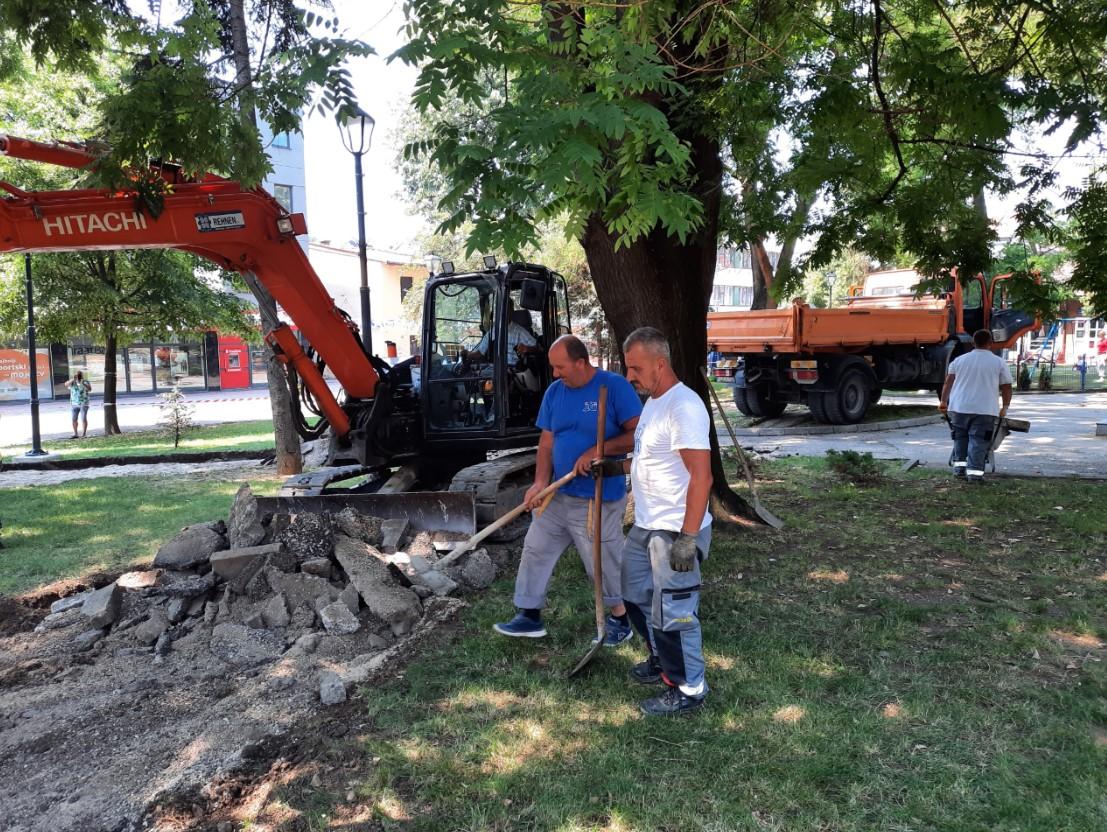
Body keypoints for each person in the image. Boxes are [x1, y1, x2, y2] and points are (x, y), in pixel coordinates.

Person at [592, 326, 713, 716]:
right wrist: (613, 467)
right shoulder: (655, 404)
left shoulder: (684, 407)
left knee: (674, 610)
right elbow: (650, 458)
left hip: (675, 528)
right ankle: (663, 660)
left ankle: (690, 688)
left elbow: (702, 476)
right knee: (632, 593)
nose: (630, 377)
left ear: (660, 365)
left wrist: (688, 538)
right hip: (646, 524)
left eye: (636, 368)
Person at [493, 334, 642, 645]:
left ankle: (621, 619)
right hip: (559, 496)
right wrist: (539, 483)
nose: (555, 373)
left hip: (597, 496)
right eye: (552, 368)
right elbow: (546, 442)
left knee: (600, 562)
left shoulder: (612, 387)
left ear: (580, 362)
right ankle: (529, 615)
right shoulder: (554, 392)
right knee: (535, 548)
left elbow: (638, 435)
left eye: (560, 367)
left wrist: (596, 450)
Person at [939, 329, 1013, 481]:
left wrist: (943, 402)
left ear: (973, 343)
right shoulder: (998, 362)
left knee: (960, 439)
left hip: (959, 408)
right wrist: (1005, 407)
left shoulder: (959, 361)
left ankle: (959, 469)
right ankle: (974, 474)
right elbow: (1006, 386)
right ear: (991, 343)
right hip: (985, 410)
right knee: (979, 441)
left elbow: (948, 382)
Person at [64, 371, 92, 438]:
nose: (78, 377)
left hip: (84, 403)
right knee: (74, 419)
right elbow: (66, 384)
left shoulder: (85, 381)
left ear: (82, 376)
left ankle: (84, 434)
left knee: (83, 418)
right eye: (77, 375)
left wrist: (83, 383)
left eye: (79, 375)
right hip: (74, 403)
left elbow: (90, 389)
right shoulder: (72, 382)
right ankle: (75, 434)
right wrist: (73, 379)